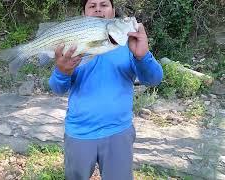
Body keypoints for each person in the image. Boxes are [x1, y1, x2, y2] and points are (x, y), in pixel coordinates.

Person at [48, 0, 163, 179]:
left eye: (104, 5)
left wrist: (143, 56)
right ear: (84, 14)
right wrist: (62, 71)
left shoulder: (129, 45)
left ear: (113, 11)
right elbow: (57, 88)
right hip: (79, 132)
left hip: (119, 131)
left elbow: (153, 79)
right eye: (92, 6)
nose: (98, 9)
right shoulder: (73, 45)